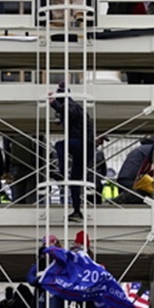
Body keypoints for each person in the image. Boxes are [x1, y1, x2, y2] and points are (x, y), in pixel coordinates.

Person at [49, 82, 95, 221]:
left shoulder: (71, 105)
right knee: (75, 181)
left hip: (81, 143)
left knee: (60, 145)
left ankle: (62, 171)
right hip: (85, 147)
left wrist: (54, 104)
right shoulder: (74, 107)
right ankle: (76, 210)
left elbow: (69, 112)